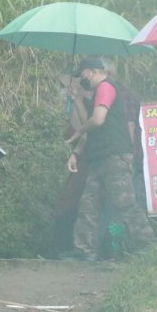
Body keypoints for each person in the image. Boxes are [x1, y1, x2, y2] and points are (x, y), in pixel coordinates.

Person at [65, 56, 155, 260]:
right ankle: (84, 251)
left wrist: (78, 134)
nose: (81, 80)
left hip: (114, 156)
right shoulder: (98, 92)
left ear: (92, 71)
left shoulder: (105, 87)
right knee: (89, 205)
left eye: (82, 75)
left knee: (125, 202)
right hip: (100, 156)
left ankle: (148, 245)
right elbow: (88, 122)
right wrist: (77, 99)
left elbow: (96, 120)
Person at [47, 72, 90, 258]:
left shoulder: (85, 103)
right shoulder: (71, 105)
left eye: (66, 87)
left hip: (87, 159)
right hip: (81, 159)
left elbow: (87, 134)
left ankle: (62, 247)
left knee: (70, 200)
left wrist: (75, 153)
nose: (63, 90)